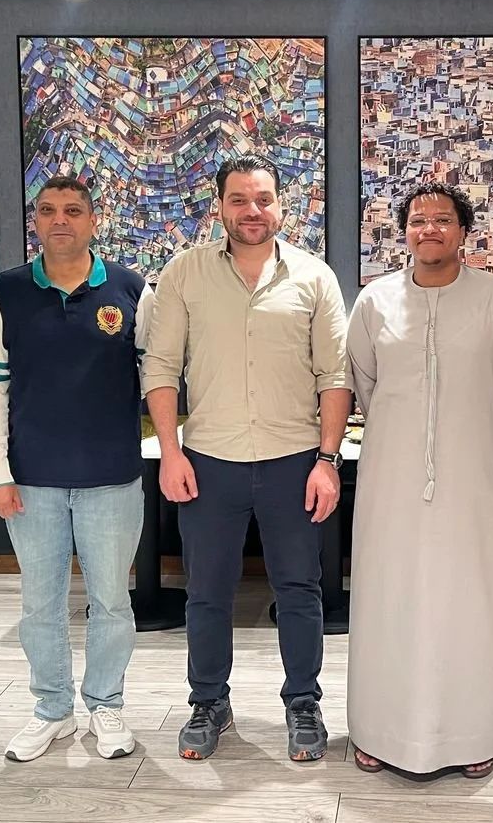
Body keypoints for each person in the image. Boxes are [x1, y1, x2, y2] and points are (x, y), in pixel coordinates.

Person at [140, 153, 350, 763]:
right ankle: (208, 702)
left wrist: (328, 460)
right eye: (238, 199)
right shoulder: (184, 273)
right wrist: (170, 452)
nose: (251, 211)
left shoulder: (314, 277)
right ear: (220, 207)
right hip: (209, 461)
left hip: (294, 461)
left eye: (263, 199)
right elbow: (161, 367)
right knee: (206, 592)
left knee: (300, 589)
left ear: (281, 205)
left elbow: (334, 375)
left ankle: (303, 701)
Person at [346, 182, 493, 779]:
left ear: (463, 231)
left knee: (473, 604)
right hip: (390, 483)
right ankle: (379, 730)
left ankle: (475, 735)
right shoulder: (375, 302)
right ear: (404, 232)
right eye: (417, 220)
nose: (428, 229)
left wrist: (483, 454)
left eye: (442, 219)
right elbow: (365, 385)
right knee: (388, 599)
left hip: (474, 486)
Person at [0, 175, 153, 764]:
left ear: (93, 220)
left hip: (113, 475)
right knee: (40, 605)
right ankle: (52, 709)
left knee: (111, 602)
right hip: (31, 479)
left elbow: (154, 377)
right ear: (35, 221)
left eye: (73, 210)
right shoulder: (6, 292)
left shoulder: (131, 288)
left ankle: (105, 704)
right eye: (48, 210)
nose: (60, 220)